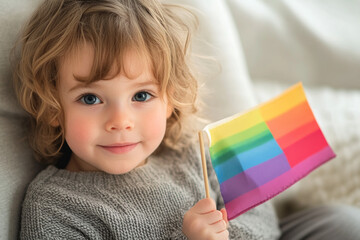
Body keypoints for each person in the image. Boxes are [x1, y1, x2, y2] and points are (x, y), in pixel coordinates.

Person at [13, 0, 280, 239]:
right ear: (51, 108)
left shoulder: (190, 153)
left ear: (169, 100)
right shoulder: (55, 206)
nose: (120, 121)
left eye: (141, 95)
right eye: (91, 99)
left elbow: (262, 214)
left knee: (321, 220)